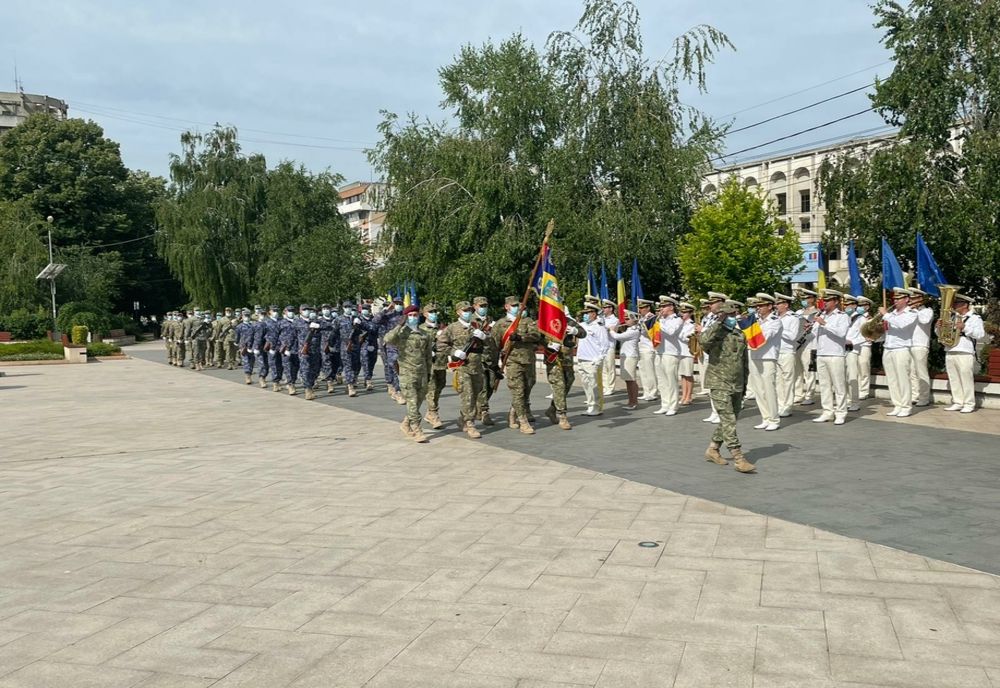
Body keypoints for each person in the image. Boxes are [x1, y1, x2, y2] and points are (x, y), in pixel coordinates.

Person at [700, 299, 755, 474]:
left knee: (728, 420)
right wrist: (719, 322)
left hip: (736, 384)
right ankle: (739, 458)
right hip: (719, 382)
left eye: (733, 314)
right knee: (728, 419)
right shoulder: (715, 333)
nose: (732, 317)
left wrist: (745, 384)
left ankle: (713, 449)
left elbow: (744, 363)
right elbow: (703, 342)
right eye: (728, 315)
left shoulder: (740, 335)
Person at [492, 296, 542, 434]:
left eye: (518, 305)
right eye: (513, 305)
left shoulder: (527, 320)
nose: (517, 307)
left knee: (528, 386)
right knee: (517, 390)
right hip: (512, 361)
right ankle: (523, 421)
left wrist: (521, 338)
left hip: (529, 359)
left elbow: (536, 335)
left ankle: (514, 411)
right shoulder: (501, 324)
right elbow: (494, 345)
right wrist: (495, 365)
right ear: (506, 307)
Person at [438, 301, 488, 438]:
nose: (468, 312)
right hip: (462, 367)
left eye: (470, 310)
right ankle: (470, 423)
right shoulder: (452, 328)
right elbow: (440, 345)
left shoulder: (476, 326)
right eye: (465, 310)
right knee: (468, 395)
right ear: (458, 312)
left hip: (477, 366)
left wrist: (485, 338)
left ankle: (462, 419)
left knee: (476, 395)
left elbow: (488, 345)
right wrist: (454, 352)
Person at [384, 304, 434, 443]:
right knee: (412, 401)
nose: (413, 317)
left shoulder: (425, 334)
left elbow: (428, 355)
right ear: (406, 317)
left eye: (415, 315)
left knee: (418, 401)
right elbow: (387, 339)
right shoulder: (401, 333)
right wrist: (399, 325)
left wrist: (429, 372)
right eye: (410, 315)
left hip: (422, 372)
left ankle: (406, 423)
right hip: (407, 373)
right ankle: (417, 429)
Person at [937, 291, 984, 413]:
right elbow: (941, 335)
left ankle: (969, 403)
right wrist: (938, 327)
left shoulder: (975, 318)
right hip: (950, 350)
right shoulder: (951, 317)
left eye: (957, 303)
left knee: (966, 378)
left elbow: (980, 334)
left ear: (965, 304)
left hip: (965, 351)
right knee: (954, 378)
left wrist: (965, 327)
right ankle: (958, 402)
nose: (954, 305)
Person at [811, 290, 851, 425]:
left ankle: (841, 412)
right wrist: (814, 325)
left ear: (836, 302)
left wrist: (824, 324)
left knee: (839, 386)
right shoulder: (822, 315)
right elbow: (814, 333)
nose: (825, 303)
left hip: (835, 354)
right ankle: (827, 411)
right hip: (822, 353)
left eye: (828, 301)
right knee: (824, 385)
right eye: (824, 300)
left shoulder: (842, 316)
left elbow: (841, 333)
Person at [880, 287, 918, 417]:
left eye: (898, 298)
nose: (895, 301)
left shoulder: (911, 313)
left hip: (902, 349)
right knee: (892, 380)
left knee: (903, 379)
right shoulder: (892, 314)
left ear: (906, 299)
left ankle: (906, 406)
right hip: (888, 348)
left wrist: (885, 315)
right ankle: (897, 405)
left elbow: (902, 324)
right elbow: (887, 332)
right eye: (894, 298)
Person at [748, 293, 782, 431]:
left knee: (769, 389)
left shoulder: (775, 320)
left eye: (761, 305)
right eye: (757, 306)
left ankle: (774, 419)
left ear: (770, 306)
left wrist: (750, 330)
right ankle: (765, 417)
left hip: (768, 357)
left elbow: (763, 337)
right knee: (758, 390)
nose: (758, 308)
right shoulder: (756, 321)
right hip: (755, 355)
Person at [544, 313, 584, 429]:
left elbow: (583, 333)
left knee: (568, 382)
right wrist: (549, 344)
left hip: (567, 360)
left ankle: (552, 409)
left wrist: (575, 331)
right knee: (559, 386)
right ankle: (563, 416)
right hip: (553, 360)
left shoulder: (568, 321)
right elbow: (537, 338)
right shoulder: (545, 321)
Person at [576, 302, 610, 416]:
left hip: (592, 360)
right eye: (584, 313)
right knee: (586, 384)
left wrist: (599, 359)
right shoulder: (583, 325)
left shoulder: (599, 327)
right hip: (582, 358)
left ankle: (597, 407)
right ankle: (590, 406)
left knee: (595, 385)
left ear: (594, 314)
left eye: (588, 313)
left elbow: (605, 345)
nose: (585, 315)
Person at [700, 291, 729, 423]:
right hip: (710, 354)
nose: (710, 305)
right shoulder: (712, 318)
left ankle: (722, 412)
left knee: (722, 387)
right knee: (713, 386)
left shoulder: (728, 317)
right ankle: (715, 411)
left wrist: (702, 331)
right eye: (710, 303)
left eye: (713, 303)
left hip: (721, 356)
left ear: (721, 303)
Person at [653, 296, 683, 416]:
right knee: (662, 381)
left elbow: (671, 332)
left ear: (671, 307)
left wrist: (659, 323)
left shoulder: (677, 320)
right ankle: (665, 404)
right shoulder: (661, 320)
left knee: (671, 381)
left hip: (671, 353)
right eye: (661, 306)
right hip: (659, 352)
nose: (661, 309)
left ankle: (673, 405)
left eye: (664, 306)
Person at [420, 303, 448, 429]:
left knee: (439, 387)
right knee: (431, 388)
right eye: (431, 312)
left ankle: (430, 411)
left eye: (435, 311)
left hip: (441, 363)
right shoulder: (420, 329)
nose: (434, 314)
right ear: (425, 314)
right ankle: (433, 412)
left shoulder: (442, 329)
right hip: (428, 364)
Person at [374, 296, 406, 404]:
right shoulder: (388, 315)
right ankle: (398, 391)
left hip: (404, 346)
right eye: (396, 303)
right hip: (391, 345)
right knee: (394, 366)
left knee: (402, 368)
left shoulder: (406, 316)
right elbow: (375, 320)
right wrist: (387, 309)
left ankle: (398, 388)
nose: (398, 305)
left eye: (400, 303)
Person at [773, 293, 800, 418]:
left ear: (786, 305)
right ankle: (780, 404)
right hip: (776, 351)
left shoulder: (793, 318)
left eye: (778, 303)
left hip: (788, 351)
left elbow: (793, 336)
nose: (776, 306)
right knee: (778, 381)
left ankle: (788, 406)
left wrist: (780, 328)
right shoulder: (774, 317)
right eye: (776, 303)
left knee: (788, 380)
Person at [473, 296, 498, 426]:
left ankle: (479, 406)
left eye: (485, 306)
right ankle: (484, 412)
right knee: (483, 385)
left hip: (491, 357)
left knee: (491, 385)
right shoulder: (471, 321)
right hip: (478, 358)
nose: (484, 308)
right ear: (475, 306)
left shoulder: (490, 320)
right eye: (481, 306)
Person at [908, 288, 935, 406]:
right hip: (909, 344)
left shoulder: (927, 311)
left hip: (920, 344)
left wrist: (914, 311)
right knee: (912, 372)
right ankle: (915, 395)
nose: (910, 301)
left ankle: (924, 398)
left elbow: (924, 321)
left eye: (913, 299)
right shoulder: (909, 311)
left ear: (920, 299)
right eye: (910, 299)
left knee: (921, 372)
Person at [609, 310, 641, 409]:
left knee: (631, 380)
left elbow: (617, 336)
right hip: (626, 356)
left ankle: (634, 402)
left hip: (630, 357)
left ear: (634, 320)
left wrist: (611, 330)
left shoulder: (634, 330)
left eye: (628, 319)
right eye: (625, 319)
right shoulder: (629, 329)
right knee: (628, 380)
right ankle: (630, 401)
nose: (625, 321)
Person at [794, 288, 819, 405]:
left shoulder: (818, 313)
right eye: (803, 298)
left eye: (807, 298)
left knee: (809, 372)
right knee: (797, 371)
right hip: (797, 345)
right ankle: (798, 394)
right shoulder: (798, 312)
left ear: (813, 299)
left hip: (810, 345)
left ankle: (810, 395)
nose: (805, 300)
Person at [338, 301, 365, 397]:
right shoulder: (339, 319)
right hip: (345, 346)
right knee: (348, 366)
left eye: (349, 307)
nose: (348, 308)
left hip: (356, 346)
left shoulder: (356, 318)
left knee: (356, 365)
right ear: (343, 308)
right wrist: (332, 344)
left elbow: (364, 330)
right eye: (346, 307)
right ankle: (350, 386)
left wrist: (359, 325)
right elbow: (335, 332)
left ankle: (352, 381)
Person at [635, 298, 658, 401]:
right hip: (641, 347)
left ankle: (653, 392)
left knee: (650, 371)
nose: (640, 310)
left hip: (649, 347)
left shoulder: (652, 318)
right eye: (640, 308)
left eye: (643, 308)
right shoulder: (641, 319)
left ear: (648, 308)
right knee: (643, 371)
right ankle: (646, 391)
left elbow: (651, 334)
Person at [600, 299, 620, 397]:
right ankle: (605, 386)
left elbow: (610, 329)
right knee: (603, 368)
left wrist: (601, 325)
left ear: (611, 308)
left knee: (610, 367)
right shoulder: (601, 318)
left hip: (610, 345)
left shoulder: (615, 320)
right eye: (603, 307)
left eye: (605, 307)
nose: (603, 309)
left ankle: (611, 387)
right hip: (602, 346)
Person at [678, 303, 696, 406]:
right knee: (683, 375)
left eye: (685, 312)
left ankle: (689, 396)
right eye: (682, 312)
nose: (682, 314)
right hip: (680, 352)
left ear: (690, 313)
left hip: (688, 352)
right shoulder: (681, 323)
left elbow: (688, 338)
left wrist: (678, 333)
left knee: (688, 375)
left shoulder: (691, 325)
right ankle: (683, 395)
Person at [279, 305, 300, 395]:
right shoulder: (281, 323)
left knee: (296, 367)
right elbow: (275, 336)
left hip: (297, 348)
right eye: (289, 311)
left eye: (292, 311)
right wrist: (279, 347)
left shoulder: (298, 322)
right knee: (288, 367)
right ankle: (290, 384)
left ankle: (293, 381)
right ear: (285, 312)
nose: (291, 312)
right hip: (286, 349)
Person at [235, 309, 255, 384]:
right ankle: (247, 376)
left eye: (248, 316)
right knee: (246, 361)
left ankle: (250, 372)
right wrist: (237, 343)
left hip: (252, 346)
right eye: (245, 316)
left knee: (251, 361)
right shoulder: (239, 326)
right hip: (243, 346)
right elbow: (237, 336)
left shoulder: (253, 325)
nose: (247, 317)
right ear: (242, 317)